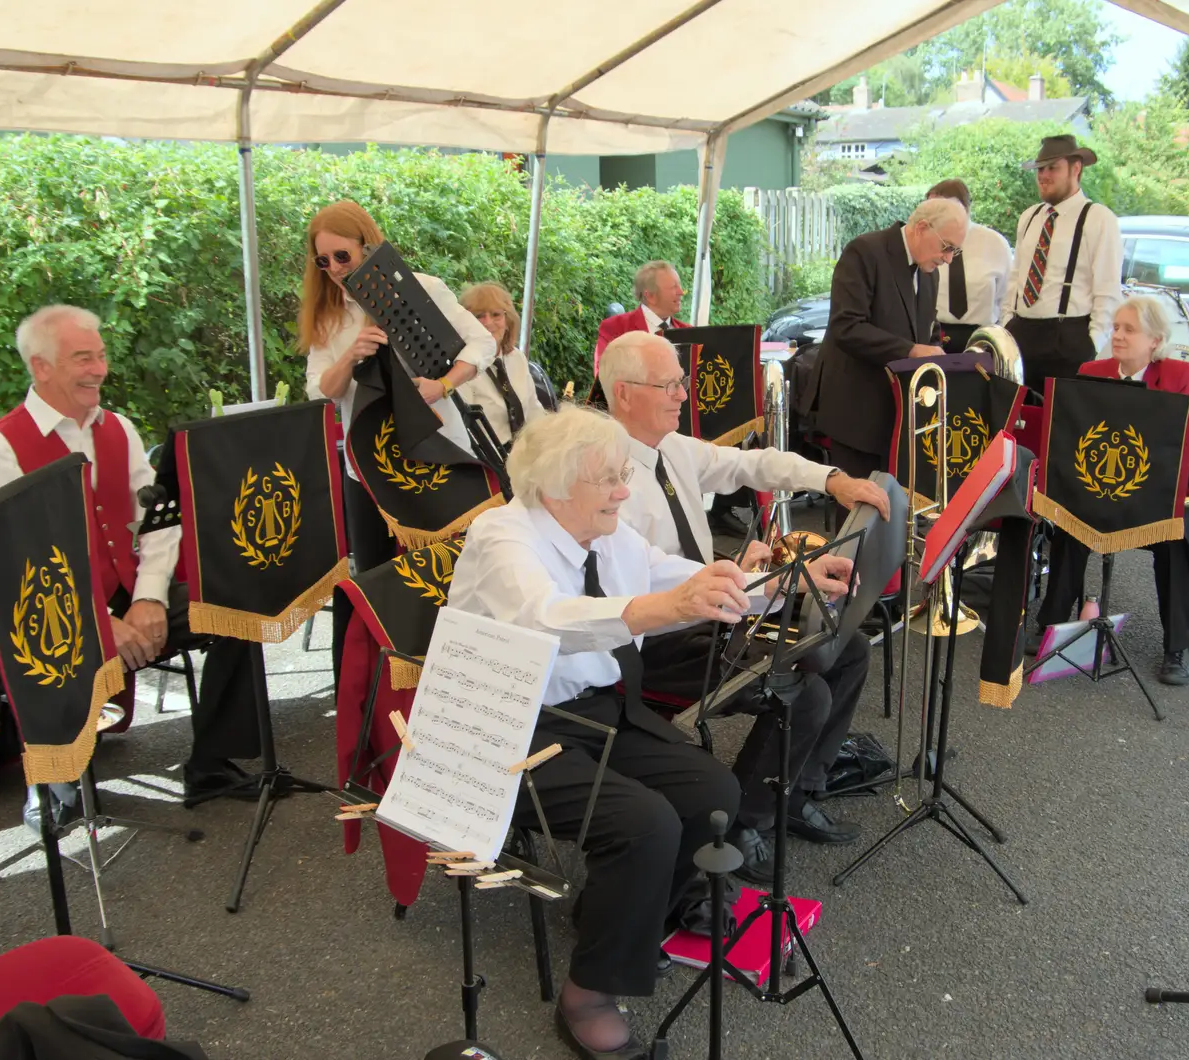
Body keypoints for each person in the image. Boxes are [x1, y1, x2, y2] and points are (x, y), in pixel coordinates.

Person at [448, 405, 850, 1059]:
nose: (624, 490)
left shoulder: (603, 532)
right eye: (608, 478)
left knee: (712, 791)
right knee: (645, 824)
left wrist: (787, 586)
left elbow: (680, 577)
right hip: (506, 729)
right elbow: (545, 616)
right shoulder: (503, 538)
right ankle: (588, 992)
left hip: (594, 711)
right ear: (554, 487)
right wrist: (661, 608)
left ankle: (622, 918)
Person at [597, 330, 889, 881]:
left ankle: (797, 790)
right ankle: (741, 826)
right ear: (624, 393)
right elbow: (642, 590)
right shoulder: (605, 474)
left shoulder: (671, 448)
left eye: (682, 382)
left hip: (716, 604)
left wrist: (832, 480)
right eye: (669, 385)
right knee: (805, 692)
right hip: (654, 638)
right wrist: (759, 579)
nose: (684, 395)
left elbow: (754, 466)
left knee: (848, 647)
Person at [0, 305, 259, 828]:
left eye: (100, 357)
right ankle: (50, 778)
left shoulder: (118, 428)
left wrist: (148, 597)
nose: (98, 370)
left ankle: (211, 761)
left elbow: (159, 523)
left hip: (127, 593)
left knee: (239, 600)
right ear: (41, 368)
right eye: (82, 358)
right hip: (52, 610)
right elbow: (22, 572)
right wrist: (104, 623)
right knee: (45, 641)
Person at [300, 200, 496, 678]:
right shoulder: (327, 315)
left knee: (452, 568)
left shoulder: (423, 289)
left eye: (341, 256)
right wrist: (350, 356)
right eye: (322, 261)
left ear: (368, 245)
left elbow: (482, 344)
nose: (334, 270)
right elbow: (318, 389)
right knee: (372, 577)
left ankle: (460, 671)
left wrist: (441, 385)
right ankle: (373, 687)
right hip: (368, 469)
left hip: (437, 453)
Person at [1030, 295, 1189, 685]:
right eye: (1116, 327)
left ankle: (1177, 647)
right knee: (1069, 518)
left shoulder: (1180, 378)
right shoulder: (1091, 370)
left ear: (1155, 340)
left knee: (1180, 535)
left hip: (1161, 491)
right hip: (1100, 484)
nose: (1117, 336)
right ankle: (1049, 623)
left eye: (1128, 330)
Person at [810, 197, 967, 479]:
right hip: (859, 409)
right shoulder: (865, 251)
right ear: (921, 227)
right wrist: (909, 350)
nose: (948, 259)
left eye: (955, 251)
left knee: (895, 511)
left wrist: (934, 350)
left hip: (903, 413)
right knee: (859, 515)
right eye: (946, 247)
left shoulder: (929, 272)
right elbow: (846, 326)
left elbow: (926, 329)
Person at [1000, 135, 1123, 396]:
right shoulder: (1030, 216)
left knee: (1059, 429)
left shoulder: (1099, 219)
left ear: (1075, 168)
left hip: (1069, 338)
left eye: (1052, 168)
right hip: (1021, 334)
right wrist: (1007, 322)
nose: (1043, 176)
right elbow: (1016, 278)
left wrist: (1092, 344)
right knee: (1019, 423)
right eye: (1040, 169)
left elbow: (1108, 290)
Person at [454, 282, 547, 447]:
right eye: (478, 316)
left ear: (508, 321)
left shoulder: (516, 358)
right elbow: (465, 431)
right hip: (485, 461)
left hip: (523, 454)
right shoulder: (460, 367)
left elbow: (534, 411)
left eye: (496, 314)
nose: (487, 323)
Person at [925, 178, 1013, 351]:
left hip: (983, 340)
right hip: (935, 337)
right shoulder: (926, 244)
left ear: (964, 208)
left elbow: (1007, 298)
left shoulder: (995, 243)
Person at [593, 261, 690, 371]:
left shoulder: (690, 333)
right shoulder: (616, 329)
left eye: (679, 286)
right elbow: (604, 377)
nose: (681, 292)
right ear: (650, 296)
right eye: (673, 287)